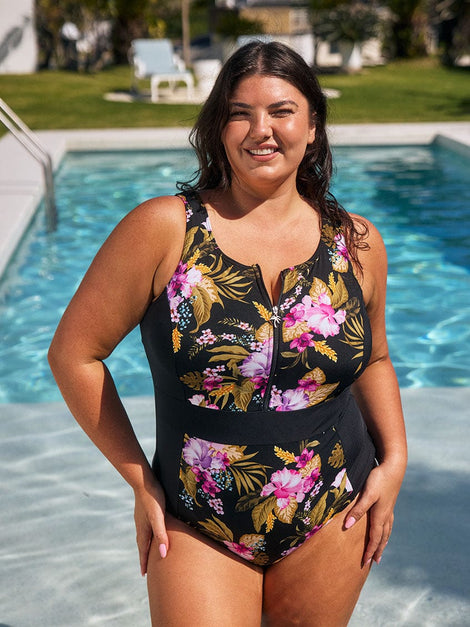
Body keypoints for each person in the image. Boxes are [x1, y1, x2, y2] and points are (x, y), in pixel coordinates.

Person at [48, 41, 407, 625]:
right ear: (219, 128)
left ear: (313, 126)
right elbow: (74, 355)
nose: (261, 130)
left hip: (334, 507)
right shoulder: (165, 229)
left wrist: (396, 460)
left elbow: (375, 359)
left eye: (282, 111)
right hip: (196, 516)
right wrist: (140, 480)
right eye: (240, 113)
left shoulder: (356, 243)